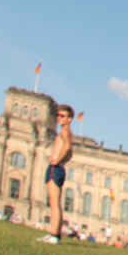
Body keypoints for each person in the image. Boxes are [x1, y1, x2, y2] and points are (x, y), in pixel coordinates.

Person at [39, 104, 75, 244]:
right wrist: (63, 161)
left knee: (54, 204)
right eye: (58, 115)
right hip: (59, 168)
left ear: (69, 119)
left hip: (55, 169)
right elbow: (70, 152)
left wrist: (56, 160)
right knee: (56, 203)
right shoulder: (68, 133)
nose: (59, 118)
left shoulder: (65, 133)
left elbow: (67, 148)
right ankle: (54, 234)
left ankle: (54, 235)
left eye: (63, 116)